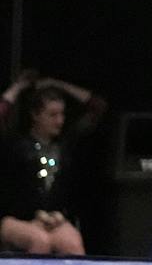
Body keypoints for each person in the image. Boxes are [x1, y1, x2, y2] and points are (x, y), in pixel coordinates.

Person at [1, 71, 106, 255]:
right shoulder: (16, 144)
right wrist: (18, 87)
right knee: (39, 242)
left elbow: (97, 106)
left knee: (72, 244)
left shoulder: (66, 144)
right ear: (35, 115)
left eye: (62, 114)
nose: (60, 121)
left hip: (54, 220)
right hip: (16, 219)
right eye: (52, 115)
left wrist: (58, 84)